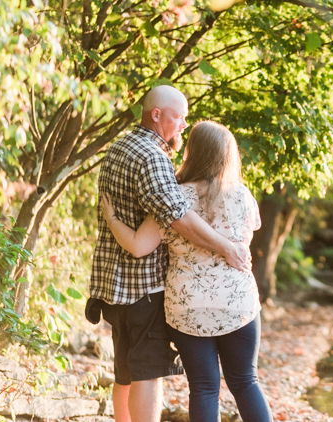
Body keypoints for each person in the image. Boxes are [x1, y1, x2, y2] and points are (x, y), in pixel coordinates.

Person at [88, 85, 252, 422]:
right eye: (179, 117)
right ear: (156, 114)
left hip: (113, 286)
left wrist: (114, 219)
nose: (184, 124)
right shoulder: (153, 157)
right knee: (148, 373)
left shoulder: (119, 146)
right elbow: (178, 218)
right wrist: (227, 247)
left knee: (126, 372)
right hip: (143, 289)